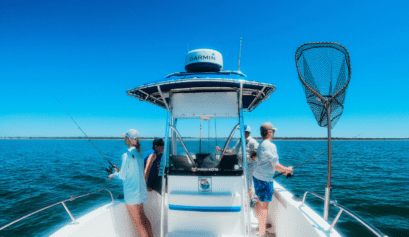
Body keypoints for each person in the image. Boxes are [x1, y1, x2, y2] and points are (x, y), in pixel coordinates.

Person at [108, 129, 153, 237]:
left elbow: (123, 176)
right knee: (144, 218)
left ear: (129, 139)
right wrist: (120, 170)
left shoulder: (126, 155)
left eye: (125, 137)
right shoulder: (139, 154)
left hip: (132, 194)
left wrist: (113, 175)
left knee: (139, 224)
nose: (124, 139)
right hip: (140, 191)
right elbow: (133, 172)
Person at [252, 122, 293, 237]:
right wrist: (287, 169)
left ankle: (261, 226)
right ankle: (262, 233)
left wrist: (284, 170)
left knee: (259, 201)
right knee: (264, 206)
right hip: (265, 180)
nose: (274, 133)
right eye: (273, 131)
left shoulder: (260, 145)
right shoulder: (271, 146)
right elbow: (276, 166)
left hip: (257, 177)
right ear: (269, 132)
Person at [215, 125, 259, 200]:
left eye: (243, 131)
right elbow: (233, 151)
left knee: (249, 186)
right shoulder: (240, 141)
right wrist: (221, 150)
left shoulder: (252, 142)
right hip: (239, 166)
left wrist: (255, 158)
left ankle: (247, 205)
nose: (241, 133)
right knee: (240, 184)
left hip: (249, 167)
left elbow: (259, 155)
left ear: (247, 133)